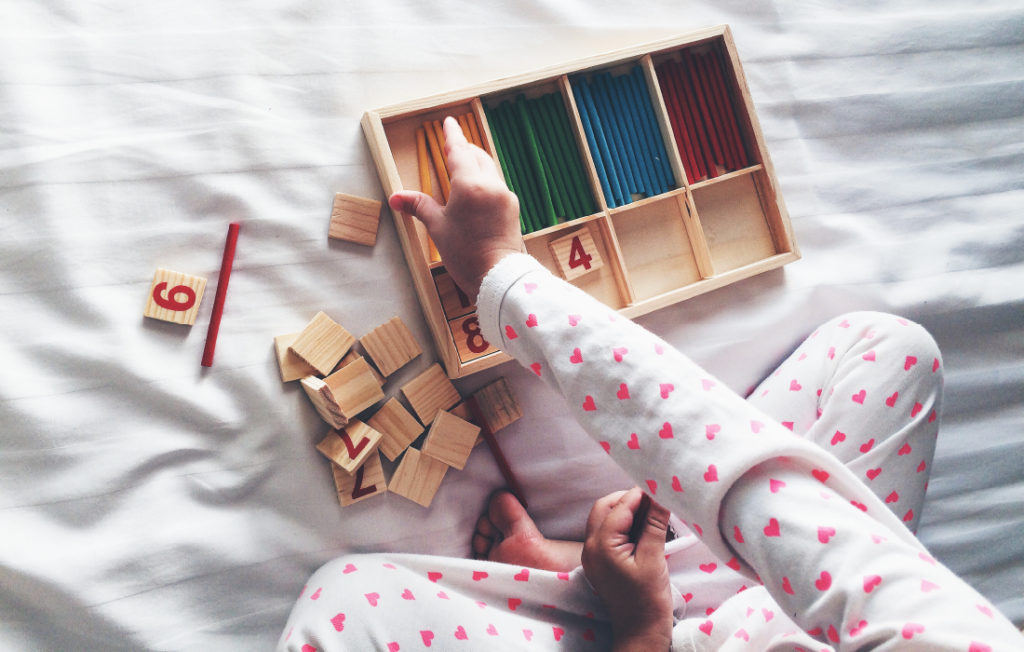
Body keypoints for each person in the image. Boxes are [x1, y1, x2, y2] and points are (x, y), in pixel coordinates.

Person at [278, 117, 1023, 650]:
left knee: (346, 602)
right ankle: (634, 580)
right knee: (894, 352)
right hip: (783, 615)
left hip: (663, 639)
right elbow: (763, 494)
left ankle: (611, 598)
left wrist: (642, 628)